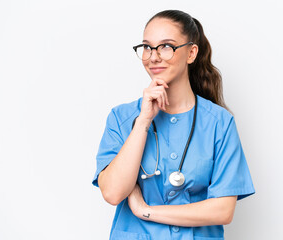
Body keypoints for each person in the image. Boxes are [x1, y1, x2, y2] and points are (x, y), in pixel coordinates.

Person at [92, 9, 255, 240]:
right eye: (147, 47)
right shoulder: (122, 118)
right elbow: (113, 192)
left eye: (166, 46)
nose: (154, 56)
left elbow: (223, 210)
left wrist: (145, 211)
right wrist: (143, 122)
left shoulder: (219, 122)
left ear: (191, 53)